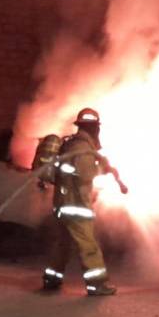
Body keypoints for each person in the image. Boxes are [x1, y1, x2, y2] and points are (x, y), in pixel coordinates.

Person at [42, 107, 128, 296]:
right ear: (93, 128)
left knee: (62, 244)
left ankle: (51, 278)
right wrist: (102, 169)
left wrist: (101, 164)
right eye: (96, 128)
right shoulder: (82, 148)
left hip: (63, 204)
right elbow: (85, 174)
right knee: (89, 246)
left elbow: (72, 172)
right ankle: (97, 284)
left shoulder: (72, 145)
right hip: (76, 206)